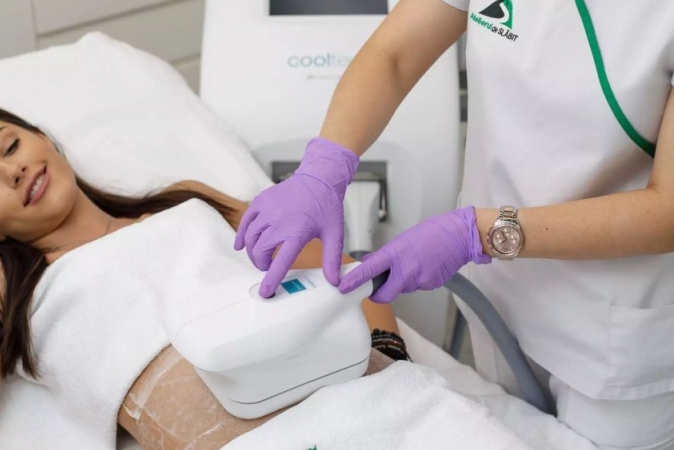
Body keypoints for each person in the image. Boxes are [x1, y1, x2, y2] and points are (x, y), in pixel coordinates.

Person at [234, 0, 674, 448]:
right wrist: (323, 166)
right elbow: (394, 55)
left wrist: (477, 234)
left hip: (615, 332)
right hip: (499, 297)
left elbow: (668, 209)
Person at [0, 105, 406, 450]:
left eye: (10, 146)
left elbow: (341, 270)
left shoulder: (189, 200)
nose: (11, 171)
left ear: (44, 138)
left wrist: (392, 361)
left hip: (374, 396)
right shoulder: (1, 279)